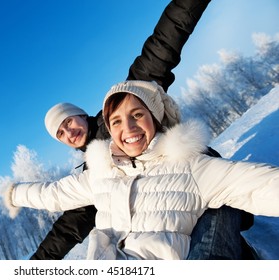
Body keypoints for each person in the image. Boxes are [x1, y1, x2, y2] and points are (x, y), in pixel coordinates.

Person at [31, 0, 254, 260]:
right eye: (60, 133)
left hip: (201, 181)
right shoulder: (94, 169)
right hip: (172, 222)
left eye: (68, 121)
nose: (69, 132)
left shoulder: (123, 103)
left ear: (81, 115)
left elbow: (161, 48)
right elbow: (71, 225)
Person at [0, 80, 279, 260]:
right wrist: (14, 194)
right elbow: (55, 195)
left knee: (219, 210)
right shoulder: (100, 169)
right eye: (117, 122)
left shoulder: (187, 163)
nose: (128, 129)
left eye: (137, 116)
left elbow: (260, 185)